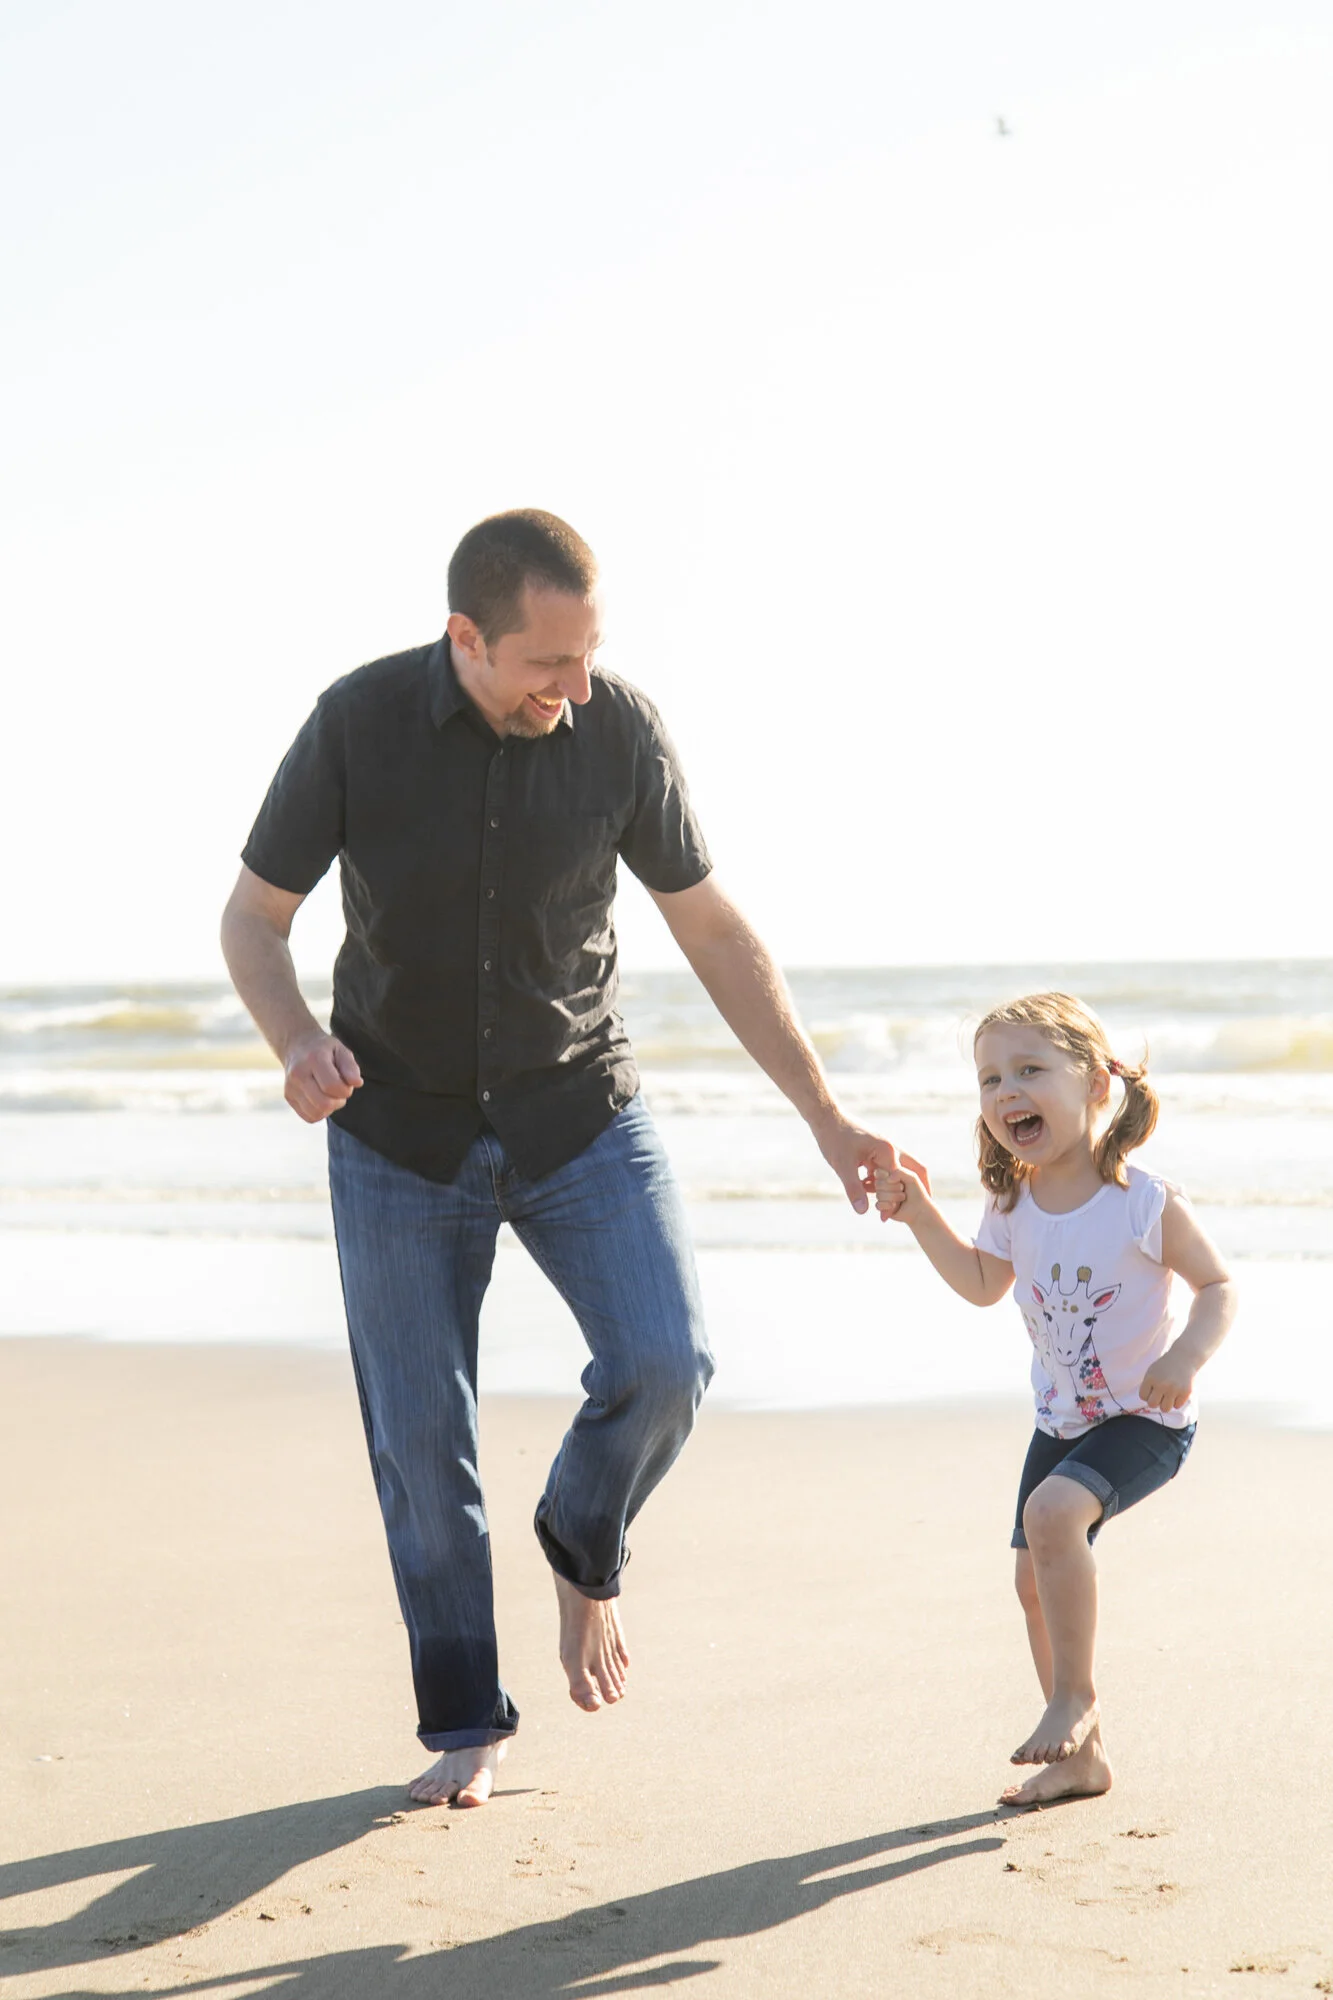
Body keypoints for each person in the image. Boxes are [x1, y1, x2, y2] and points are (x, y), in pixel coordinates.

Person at [221, 508, 916, 1809]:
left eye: (589, 655)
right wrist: (297, 1040)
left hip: (578, 1107)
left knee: (667, 1361)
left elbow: (712, 933)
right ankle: (463, 1729)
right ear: (466, 639)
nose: (576, 686)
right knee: (422, 1443)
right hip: (396, 1133)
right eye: (549, 662)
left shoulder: (620, 731)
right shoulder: (357, 724)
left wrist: (828, 1118)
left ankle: (581, 1542)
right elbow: (254, 922)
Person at [873, 991, 1236, 1808]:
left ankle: (1073, 1696)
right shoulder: (1012, 1204)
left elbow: (1217, 1286)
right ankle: (1084, 1759)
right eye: (989, 1077)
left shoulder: (1142, 1199)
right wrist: (918, 1211)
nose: (1005, 1091)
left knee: (1050, 1518)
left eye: (1029, 1070)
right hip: (1061, 1421)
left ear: (1094, 1087)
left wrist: (1185, 1355)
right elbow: (977, 1283)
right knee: (1031, 1581)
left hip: (1147, 1418)